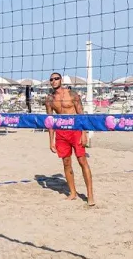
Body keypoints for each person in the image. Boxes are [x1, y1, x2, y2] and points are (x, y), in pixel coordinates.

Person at [45, 72, 95, 205]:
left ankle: (90, 195)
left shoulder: (72, 95)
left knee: (82, 161)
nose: (54, 81)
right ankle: (73, 193)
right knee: (66, 163)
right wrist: (51, 141)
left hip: (76, 131)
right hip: (61, 133)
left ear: (61, 80)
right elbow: (50, 122)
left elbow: (81, 115)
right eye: (51, 79)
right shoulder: (49, 99)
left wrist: (85, 134)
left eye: (56, 78)